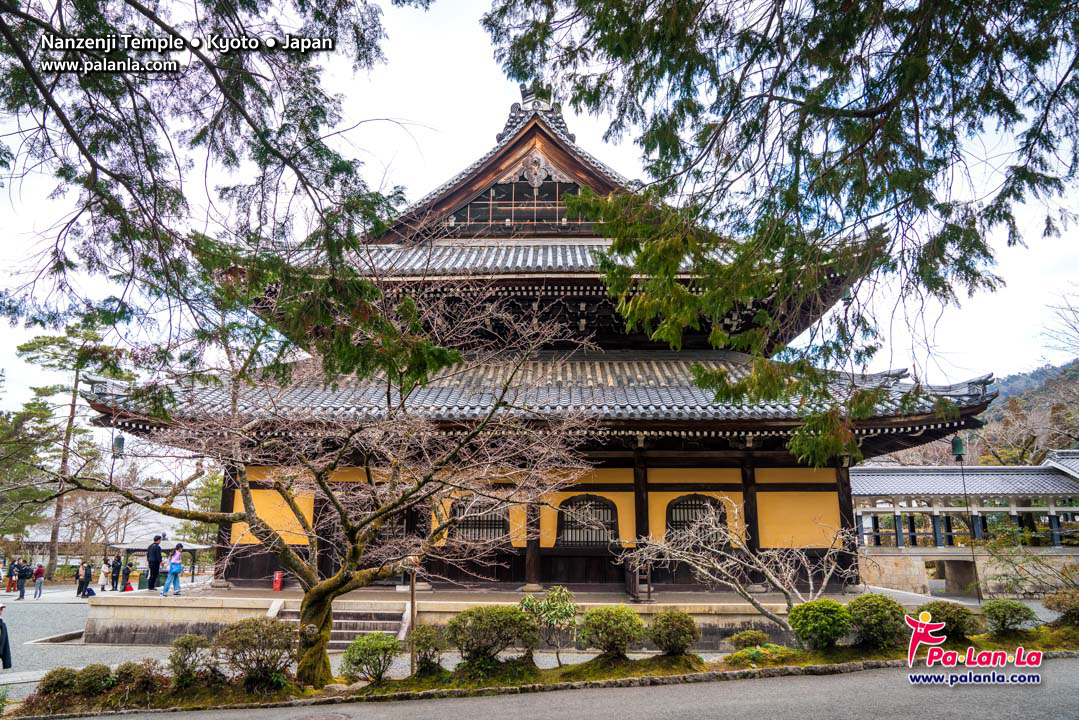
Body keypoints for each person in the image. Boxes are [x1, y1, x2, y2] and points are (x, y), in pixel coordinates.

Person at [0, 603, 11, 670]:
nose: (0, 611)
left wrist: (7, 662)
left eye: (1, 609)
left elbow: (6, 644)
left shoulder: (3, 625)